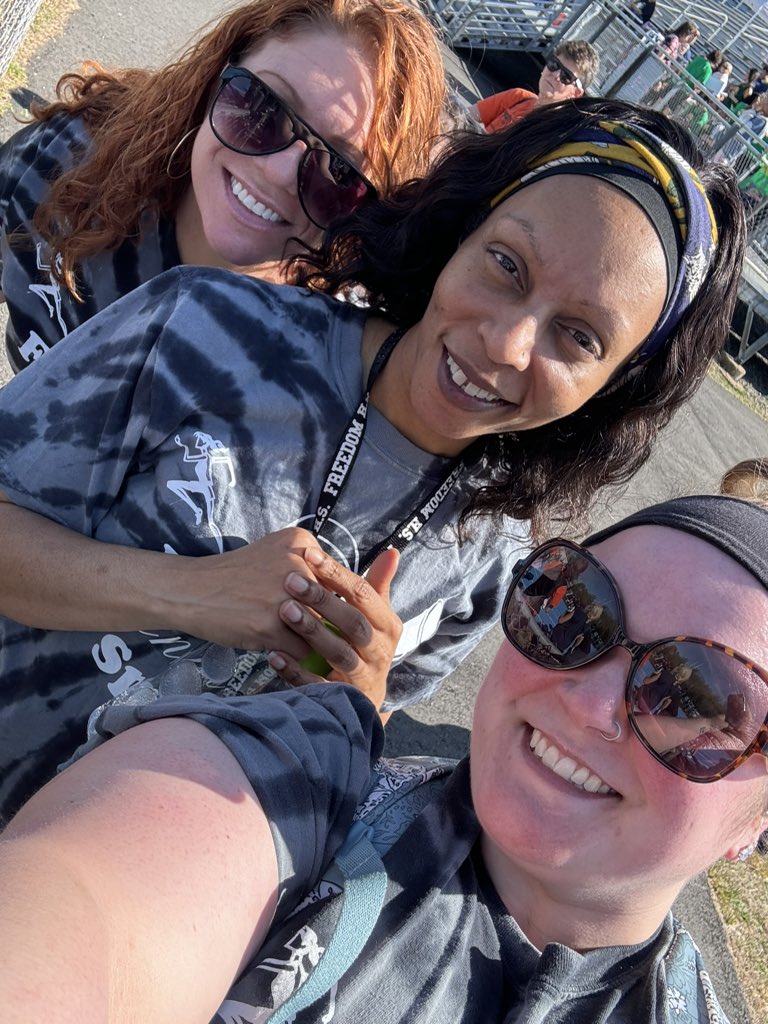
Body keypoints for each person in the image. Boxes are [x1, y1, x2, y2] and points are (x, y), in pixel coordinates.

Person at [0, 98, 745, 821]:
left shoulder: (489, 559)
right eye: (506, 265)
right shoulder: (205, 327)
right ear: (461, 229)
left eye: (579, 338)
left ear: (610, 390)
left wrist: (356, 705)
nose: (507, 344)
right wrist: (187, 592)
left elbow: (339, 753)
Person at [1, 493, 767, 1023]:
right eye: (574, 608)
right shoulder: (307, 789)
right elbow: (90, 910)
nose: (588, 703)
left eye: (698, 701)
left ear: (756, 826)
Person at [0, 0, 447, 371]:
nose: (277, 173)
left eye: (340, 171)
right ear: (214, 80)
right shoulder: (64, 160)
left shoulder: (328, 361)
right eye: (262, 107)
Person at [469, 40, 599, 133]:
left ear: (576, 93)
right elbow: (467, 116)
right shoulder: (518, 97)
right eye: (555, 65)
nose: (556, 75)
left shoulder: (554, 135)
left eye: (566, 76)